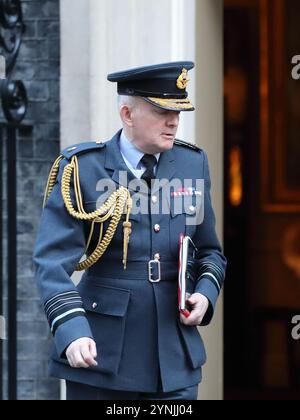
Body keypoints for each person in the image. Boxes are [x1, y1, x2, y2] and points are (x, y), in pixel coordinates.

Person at [33, 61, 227, 401]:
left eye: (178, 112)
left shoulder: (192, 163)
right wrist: (71, 329)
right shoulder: (82, 168)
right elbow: (50, 263)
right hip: (101, 353)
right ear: (127, 114)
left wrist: (205, 294)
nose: (173, 121)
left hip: (174, 359)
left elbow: (209, 250)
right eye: (161, 111)